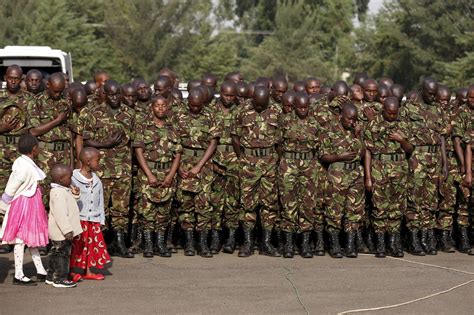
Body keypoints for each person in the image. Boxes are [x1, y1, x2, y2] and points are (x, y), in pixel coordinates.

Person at [82, 80, 135, 258]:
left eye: (117, 94)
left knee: (121, 207)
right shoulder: (94, 113)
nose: (115, 98)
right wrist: (106, 143)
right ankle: (100, 242)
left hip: (123, 168)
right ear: (104, 94)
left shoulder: (129, 113)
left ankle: (119, 242)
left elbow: (135, 142)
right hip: (101, 169)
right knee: (99, 207)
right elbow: (86, 140)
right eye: (111, 94)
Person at [232, 86, 281, 258]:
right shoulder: (242, 111)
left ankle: (266, 242)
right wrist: (243, 159)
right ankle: (247, 242)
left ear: (268, 100)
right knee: (247, 203)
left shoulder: (277, 111)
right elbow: (235, 137)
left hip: (269, 162)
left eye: (262, 105)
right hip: (248, 162)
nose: (259, 108)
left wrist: (274, 160)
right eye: (256, 105)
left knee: (269, 203)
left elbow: (280, 141)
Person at [364, 97, 413, 258]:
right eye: (388, 113)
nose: (392, 116)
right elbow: (368, 152)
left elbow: (410, 149)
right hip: (380, 168)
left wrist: (402, 140)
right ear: (383, 109)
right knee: (380, 207)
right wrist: (368, 177)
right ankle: (380, 244)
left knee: (397, 207)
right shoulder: (373, 124)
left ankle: (393, 242)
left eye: (394, 113)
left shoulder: (404, 123)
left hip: (399, 168)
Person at [134, 96, 181, 258]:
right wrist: (149, 174)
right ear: (151, 107)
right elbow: (138, 152)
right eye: (157, 106)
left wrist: (171, 175)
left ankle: (160, 243)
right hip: (149, 174)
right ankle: (148, 244)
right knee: (147, 211)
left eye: (163, 105)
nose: (160, 108)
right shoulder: (143, 127)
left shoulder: (173, 127)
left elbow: (177, 154)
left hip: (167, 173)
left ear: (167, 107)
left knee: (163, 211)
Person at [404, 77, 447, 256]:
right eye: (430, 93)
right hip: (416, 158)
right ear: (422, 90)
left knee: (431, 200)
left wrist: (444, 163)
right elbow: (403, 138)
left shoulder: (438, 109)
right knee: (415, 199)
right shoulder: (408, 108)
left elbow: (442, 137)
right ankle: (414, 239)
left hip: (434, 158)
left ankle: (426, 238)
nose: (432, 96)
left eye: (434, 93)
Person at [175, 88, 220, 257]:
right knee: (186, 203)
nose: (194, 109)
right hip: (184, 161)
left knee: (204, 204)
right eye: (191, 105)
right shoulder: (179, 115)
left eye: (198, 106)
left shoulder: (210, 115)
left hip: (203, 164)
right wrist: (178, 167)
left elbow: (213, 143)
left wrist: (198, 166)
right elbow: (174, 142)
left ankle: (203, 244)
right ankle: (189, 244)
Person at [0, 135, 48, 285]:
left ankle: (41, 271)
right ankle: (18, 274)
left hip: (30, 204)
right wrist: (4, 203)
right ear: (34, 149)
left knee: (31, 239)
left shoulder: (26, 163)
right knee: (21, 240)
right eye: (38, 146)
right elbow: (12, 186)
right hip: (24, 205)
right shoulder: (23, 165)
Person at [320, 102, 365, 258]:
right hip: (337, 176)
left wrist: (358, 135)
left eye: (354, 119)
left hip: (355, 175)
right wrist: (339, 157)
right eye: (349, 119)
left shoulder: (356, 131)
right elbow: (323, 156)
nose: (352, 122)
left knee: (354, 211)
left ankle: (350, 246)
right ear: (340, 116)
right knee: (334, 212)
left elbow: (363, 153)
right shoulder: (329, 131)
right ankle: (335, 246)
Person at [277, 92, 320, 258]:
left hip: (309, 165)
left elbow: (318, 146)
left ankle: (305, 244)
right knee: (288, 203)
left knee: (308, 204)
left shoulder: (315, 122)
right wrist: (287, 161)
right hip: (288, 164)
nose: (303, 110)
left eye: (306, 107)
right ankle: (289, 244)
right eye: (300, 107)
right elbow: (278, 144)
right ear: (294, 106)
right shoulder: (285, 121)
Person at [70, 147, 110, 279]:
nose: (99, 163)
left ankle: (88, 271)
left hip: (93, 219)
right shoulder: (73, 178)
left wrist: (101, 219)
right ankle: (71, 271)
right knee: (77, 246)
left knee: (91, 246)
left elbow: (100, 201)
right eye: (97, 160)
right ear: (88, 161)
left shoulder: (96, 179)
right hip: (79, 219)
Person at [209, 81, 240, 254]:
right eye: (226, 95)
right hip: (216, 159)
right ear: (220, 93)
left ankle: (231, 239)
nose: (228, 98)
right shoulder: (211, 111)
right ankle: (215, 238)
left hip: (234, 160)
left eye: (231, 95)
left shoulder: (241, 111)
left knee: (233, 201)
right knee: (215, 201)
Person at [46, 164, 82, 288]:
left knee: (55, 254)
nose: (71, 180)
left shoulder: (61, 191)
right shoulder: (58, 193)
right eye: (69, 177)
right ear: (61, 179)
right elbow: (60, 214)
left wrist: (75, 195)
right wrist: (67, 230)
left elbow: (69, 205)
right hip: (61, 232)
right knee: (62, 256)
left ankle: (51, 276)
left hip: (59, 231)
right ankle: (60, 278)